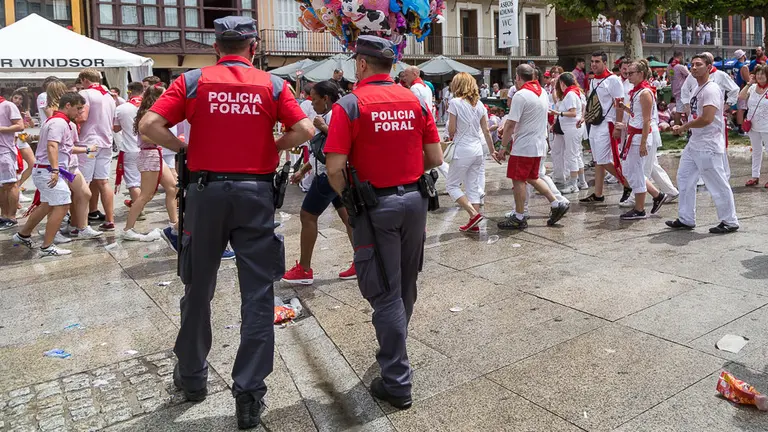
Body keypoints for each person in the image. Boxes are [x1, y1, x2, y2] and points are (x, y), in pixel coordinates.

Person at [138, 16, 314, 428]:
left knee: (198, 288)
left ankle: (193, 378)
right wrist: (272, 144)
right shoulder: (272, 85)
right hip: (255, 195)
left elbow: (148, 125)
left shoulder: (193, 80)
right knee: (257, 294)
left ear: (217, 47)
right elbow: (305, 129)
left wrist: (183, 145)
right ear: (253, 48)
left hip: (205, 193)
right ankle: (249, 395)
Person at [323, 35, 443, 410]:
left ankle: (397, 380)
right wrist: (406, 176)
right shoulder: (415, 100)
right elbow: (435, 156)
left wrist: (351, 199)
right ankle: (394, 347)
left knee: (384, 289)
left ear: (360, 64)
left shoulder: (349, 105)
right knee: (405, 283)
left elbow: (334, 168)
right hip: (415, 200)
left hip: (376, 206)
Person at [282, 80, 356, 284]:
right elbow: (322, 152)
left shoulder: (335, 115)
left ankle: (304, 269)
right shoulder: (328, 114)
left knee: (307, 215)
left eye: (314, 100)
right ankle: (362, 260)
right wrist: (303, 171)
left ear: (326, 99)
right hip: (331, 174)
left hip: (329, 177)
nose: (311, 104)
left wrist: (323, 127)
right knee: (347, 216)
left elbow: (343, 143)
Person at [12, 92, 97, 255]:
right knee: (62, 205)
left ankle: (23, 235)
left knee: (46, 205)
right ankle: (47, 246)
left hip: (47, 170)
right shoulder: (59, 122)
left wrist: (87, 149)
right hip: (48, 171)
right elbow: (52, 146)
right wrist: (56, 169)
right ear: (68, 106)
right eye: (78, 108)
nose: (80, 112)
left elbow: (64, 147)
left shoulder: (59, 121)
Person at [667, 54, 739, 234]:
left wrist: (684, 126)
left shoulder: (711, 89)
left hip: (708, 144)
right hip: (695, 143)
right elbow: (691, 111)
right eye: (692, 65)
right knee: (684, 178)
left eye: (698, 65)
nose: (694, 68)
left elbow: (707, 118)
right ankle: (686, 218)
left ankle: (730, 221)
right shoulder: (696, 88)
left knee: (717, 183)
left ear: (709, 68)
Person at [496, 64, 570, 229]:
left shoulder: (521, 95)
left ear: (518, 77)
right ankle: (556, 203)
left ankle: (519, 216)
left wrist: (502, 148)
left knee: (519, 179)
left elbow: (510, 125)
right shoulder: (542, 92)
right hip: (539, 143)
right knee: (532, 177)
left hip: (524, 145)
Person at [121, 85, 178, 240]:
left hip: (154, 154)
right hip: (150, 155)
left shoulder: (149, 112)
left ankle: (174, 224)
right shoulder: (148, 114)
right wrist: (168, 140)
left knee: (172, 188)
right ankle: (128, 229)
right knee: (146, 195)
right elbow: (145, 137)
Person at [614, 59, 668, 220]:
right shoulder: (637, 91)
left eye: (631, 73)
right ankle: (656, 195)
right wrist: (624, 108)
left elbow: (646, 120)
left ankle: (640, 208)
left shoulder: (645, 92)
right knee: (629, 170)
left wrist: (643, 142)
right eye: (627, 73)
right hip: (634, 135)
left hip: (639, 137)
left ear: (641, 74)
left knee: (635, 171)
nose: (627, 75)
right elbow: (637, 114)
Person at [445, 72, 496, 231]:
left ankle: (473, 214)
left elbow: (452, 130)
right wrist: (493, 151)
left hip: (462, 149)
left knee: (452, 186)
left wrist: (449, 133)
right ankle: (473, 223)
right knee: (473, 187)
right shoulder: (480, 104)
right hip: (478, 150)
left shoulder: (455, 103)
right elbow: (486, 131)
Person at [580, 52, 631, 204]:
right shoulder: (594, 80)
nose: (593, 64)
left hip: (608, 124)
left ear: (604, 63)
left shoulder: (613, 80)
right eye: (592, 61)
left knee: (603, 160)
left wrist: (617, 126)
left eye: (597, 61)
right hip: (595, 124)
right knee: (597, 160)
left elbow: (619, 104)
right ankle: (598, 194)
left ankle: (628, 184)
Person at [77, 68, 117, 231]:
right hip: (106, 141)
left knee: (83, 182)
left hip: (88, 141)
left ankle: (81, 222)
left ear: (85, 80)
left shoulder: (86, 94)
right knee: (103, 181)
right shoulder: (109, 97)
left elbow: (83, 117)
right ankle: (110, 219)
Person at [552, 72, 588, 193]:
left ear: (562, 83)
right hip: (572, 127)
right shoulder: (574, 92)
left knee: (572, 155)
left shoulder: (571, 94)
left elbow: (572, 112)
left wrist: (558, 113)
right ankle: (582, 182)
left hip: (572, 127)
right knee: (576, 154)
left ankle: (573, 184)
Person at [113, 82, 144, 208]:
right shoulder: (150, 105)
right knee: (146, 181)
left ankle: (138, 209)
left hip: (130, 148)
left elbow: (115, 129)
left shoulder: (122, 108)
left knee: (133, 182)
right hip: (149, 147)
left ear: (129, 92)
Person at [739, 65, 768, 187]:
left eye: (763, 73)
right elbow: (741, 97)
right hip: (752, 125)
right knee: (756, 151)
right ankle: (755, 176)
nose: (760, 76)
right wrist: (749, 84)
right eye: (758, 73)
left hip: (766, 126)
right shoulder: (752, 88)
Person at [0, 89, 24, 230]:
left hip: (5, 150)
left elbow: (20, 126)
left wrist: (1, 128)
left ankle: (12, 216)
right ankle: (3, 215)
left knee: (10, 184)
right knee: (1, 186)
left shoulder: (7, 105)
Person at [11, 89, 35, 203]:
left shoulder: (23, 110)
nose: (17, 100)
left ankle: (18, 186)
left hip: (22, 138)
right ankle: (16, 191)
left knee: (33, 164)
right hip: (13, 140)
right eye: (16, 98)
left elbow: (31, 125)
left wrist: (28, 119)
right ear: (12, 98)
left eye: (20, 99)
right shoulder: (8, 108)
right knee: (16, 168)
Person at [668, 51, 689, 125]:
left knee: (685, 109)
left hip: (675, 90)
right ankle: (677, 128)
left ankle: (687, 126)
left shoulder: (669, 67)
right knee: (680, 110)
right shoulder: (680, 67)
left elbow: (670, 78)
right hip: (682, 90)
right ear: (680, 57)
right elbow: (689, 76)